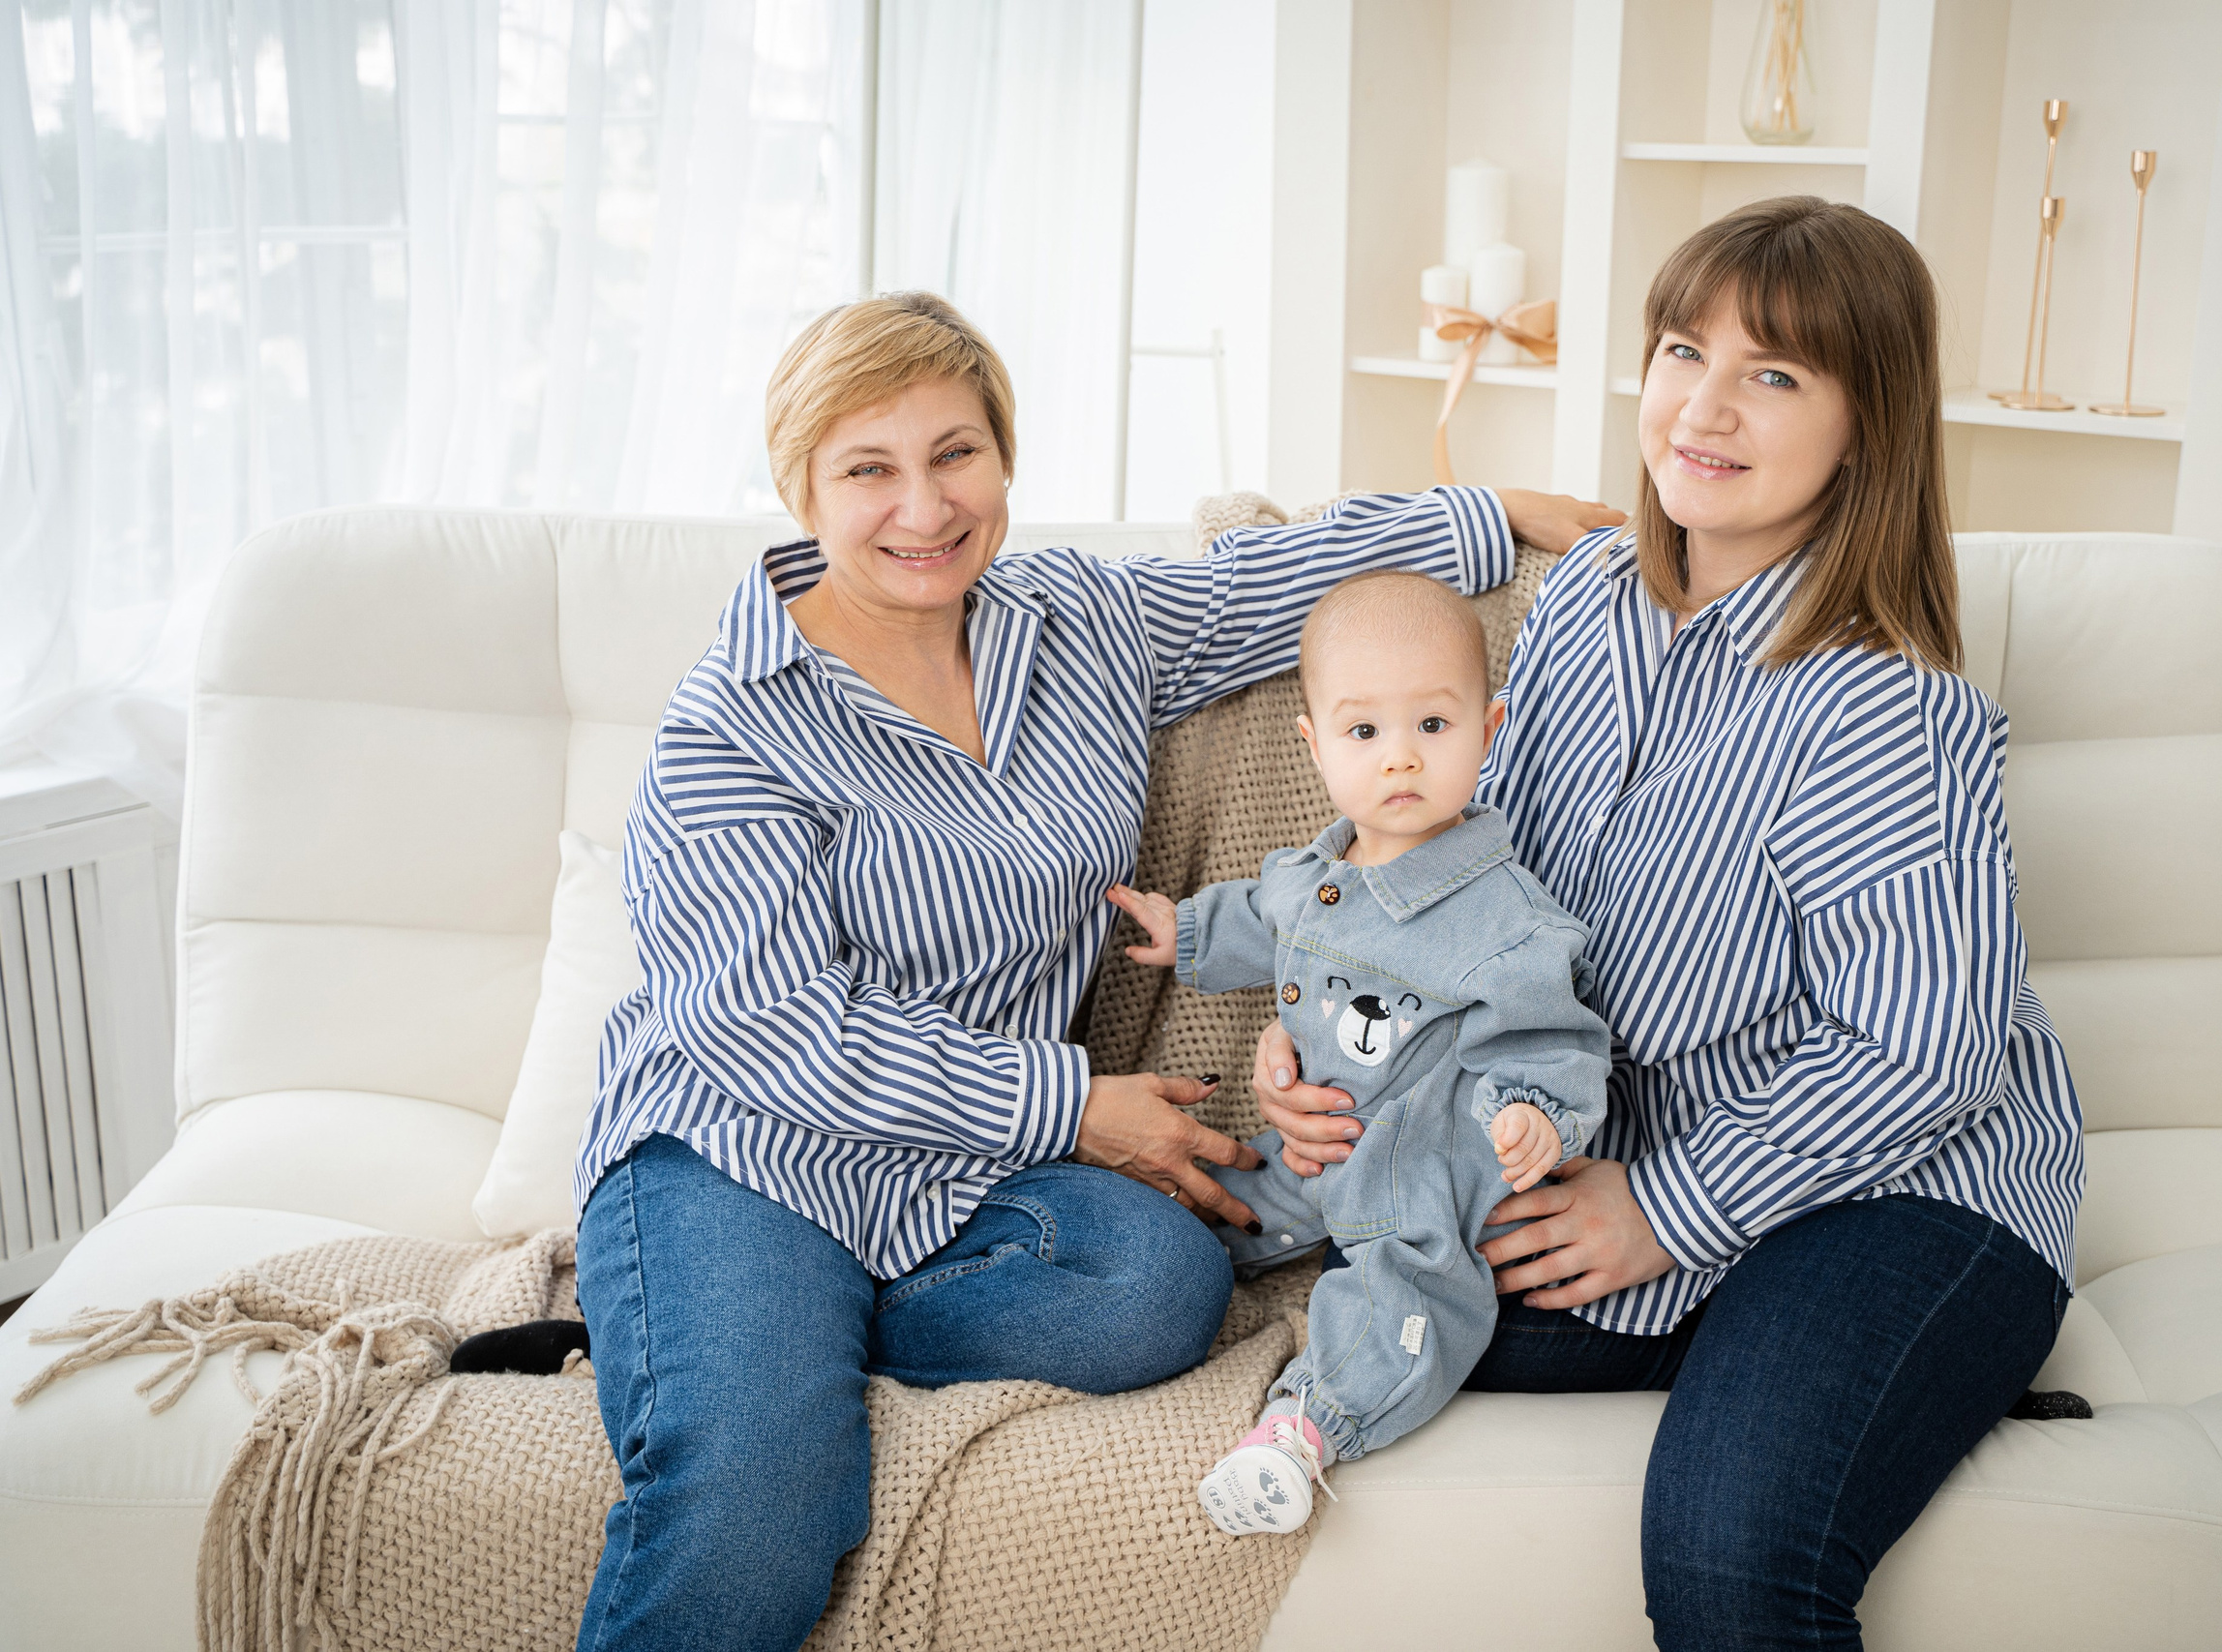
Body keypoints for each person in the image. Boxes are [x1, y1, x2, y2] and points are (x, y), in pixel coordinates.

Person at [565, 289, 1622, 1651]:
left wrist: (1497, 513)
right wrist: (1071, 1107)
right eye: (867, 468)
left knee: (1157, 1288)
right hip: (746, 1149)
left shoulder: (1074, 624)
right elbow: (774, 1034)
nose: (924, 505)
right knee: (761, 1503)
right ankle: (738, 1348)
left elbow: (1279, 586)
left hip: (958, 1176)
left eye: (956, 452)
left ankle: (792, 1342)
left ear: (1002, 456)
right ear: (799, 489)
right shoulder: (729, 729)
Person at [1250, 196, 2086, 1650]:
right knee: (1373, 1288)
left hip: (1905, 1189)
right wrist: (1320, 1031)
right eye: (1683, 350)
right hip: (1631, 1143)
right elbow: (1453, 881)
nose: (1704, 405)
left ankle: (1928, 1343)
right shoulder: (1580, 605)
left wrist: (1663, 1211)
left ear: (1865, 425)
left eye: (1774, 374)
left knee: (1731, 1553)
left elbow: (1926, 1051)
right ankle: (1861, 1368)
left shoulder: (1887, 707)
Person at [1104, 570, 1612, 1536]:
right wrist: (1186, 932)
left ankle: (1303, 1428)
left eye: (1433, 725)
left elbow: (1556, 1041)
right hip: (1307, 1150)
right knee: (1199, 1203)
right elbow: (1262, 915)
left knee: (1405, 1300)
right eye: (1364, 732)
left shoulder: (1503, 919)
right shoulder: (1320, 870)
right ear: (1316, 746)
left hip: (1414, 1174)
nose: (1400, 761)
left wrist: (1532, 1114)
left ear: (1489, 730)